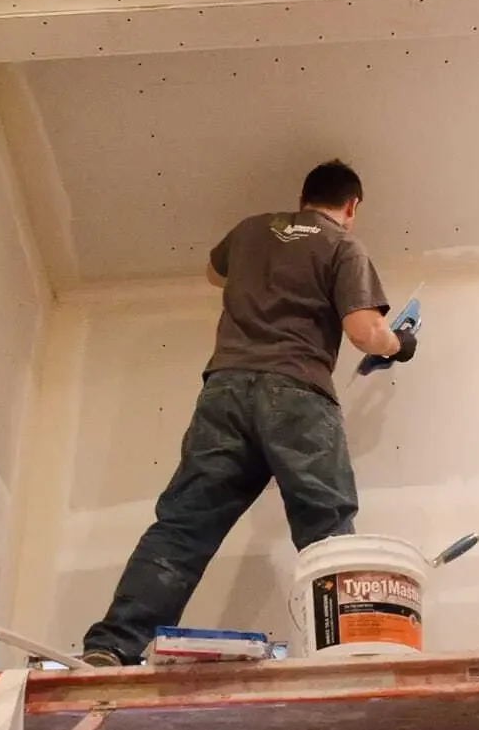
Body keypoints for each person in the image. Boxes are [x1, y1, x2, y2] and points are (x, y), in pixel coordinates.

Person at [81, 160, 418, 665]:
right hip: (298, 396)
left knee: (183, 527)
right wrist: (399, 344)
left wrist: (264, 277)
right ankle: (349, 655)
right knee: (326, 529)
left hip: (226, 392)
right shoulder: (342, 245)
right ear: (351, 207)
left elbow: (215, 273)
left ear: (303, 196)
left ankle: (111, 648)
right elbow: (364, 331)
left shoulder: (250, 230)